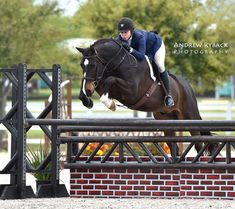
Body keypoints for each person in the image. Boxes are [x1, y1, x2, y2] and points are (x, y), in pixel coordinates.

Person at [116, 17, 174, 108]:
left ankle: (168, 96)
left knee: (160, 66)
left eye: (125, 32)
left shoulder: (139, 37)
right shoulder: (119, 39)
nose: (123, 35)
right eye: (121, 32)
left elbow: (141, 57)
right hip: (142, 49)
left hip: (155, 46)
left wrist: (130, 49)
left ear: (131, 31)